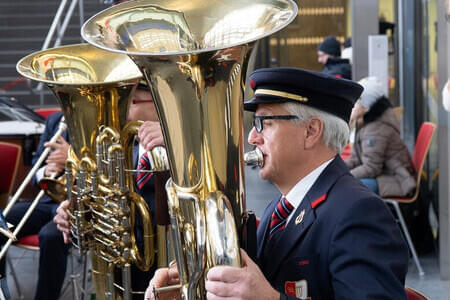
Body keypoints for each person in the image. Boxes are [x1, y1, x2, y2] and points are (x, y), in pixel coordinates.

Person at [146, 68, 409, 300]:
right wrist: (194, 281)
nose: (252, 137)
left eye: (264, 123)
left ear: (311, 131)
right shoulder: (279, 209)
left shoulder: (359, 213)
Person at [54, 81, 166, 300]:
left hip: (169, 276)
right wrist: (78, 217)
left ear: (159, 102)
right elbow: (104, 216)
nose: (118, 110)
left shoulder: (184, 148)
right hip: (121, 278)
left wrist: (174, 139)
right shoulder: (119, 151)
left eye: (129, 101)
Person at [0, 110, 70, 300]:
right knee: (1, 223)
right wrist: (46, 170)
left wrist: (71, 159)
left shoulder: (97, 120)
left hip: (74, 204)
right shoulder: (55, 120)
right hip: (46, 200)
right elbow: (35, 168)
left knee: (50, 236)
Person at [346, 76, 416, 197]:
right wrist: (336, 170)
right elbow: (355, 159)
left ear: (366, 107)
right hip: (383, 174)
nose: (351, 105)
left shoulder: (376, 128)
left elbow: (372, 168)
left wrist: (343, 177)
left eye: (356, 101)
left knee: (346, 188)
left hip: (396, 179)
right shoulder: (364, 121)